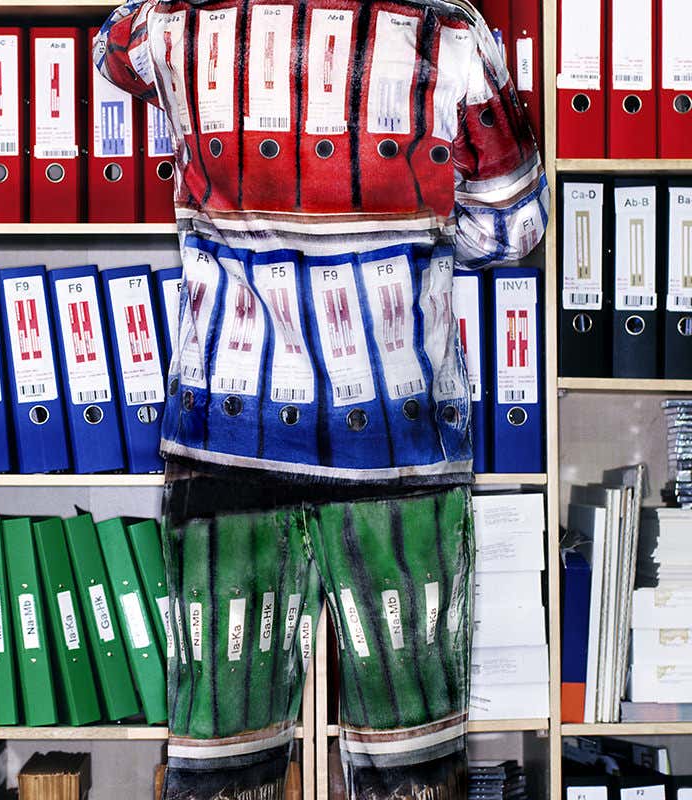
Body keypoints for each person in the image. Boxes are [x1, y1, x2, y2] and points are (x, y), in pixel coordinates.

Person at [93, 1, 548, 798]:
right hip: (401, 445)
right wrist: (415, 234)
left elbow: (111, 52)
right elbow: (514, 227)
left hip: (226, 436)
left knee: (222, 735)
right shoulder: (449, 31)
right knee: (411, 744)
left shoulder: (176, 25)